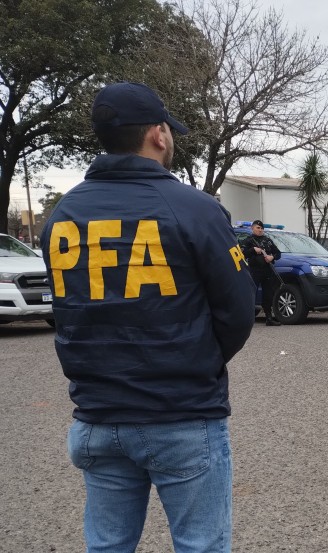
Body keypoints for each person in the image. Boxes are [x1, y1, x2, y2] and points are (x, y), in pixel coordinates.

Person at [40, 81, 256, 552]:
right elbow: (238, 310)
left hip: (97, 418)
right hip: (181, 414)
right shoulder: (195, 209)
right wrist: (198, 359)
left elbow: (68, 310)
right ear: (158, 134)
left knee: (107, 546)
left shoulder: (63, 215)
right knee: (200, 545)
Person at [242, 219, 283, 326]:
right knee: (251, 295)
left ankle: (269, 318)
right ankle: (248, 319)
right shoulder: (248, 240)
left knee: (268, 295)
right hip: (254, 271)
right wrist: (253, 250)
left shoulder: (267, 240)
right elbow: (242, 254)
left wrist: (271, 257)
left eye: (262, 228)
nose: (260, 230)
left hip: (267, 271)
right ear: (252, 228)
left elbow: (278, 253)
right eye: (258, 228)